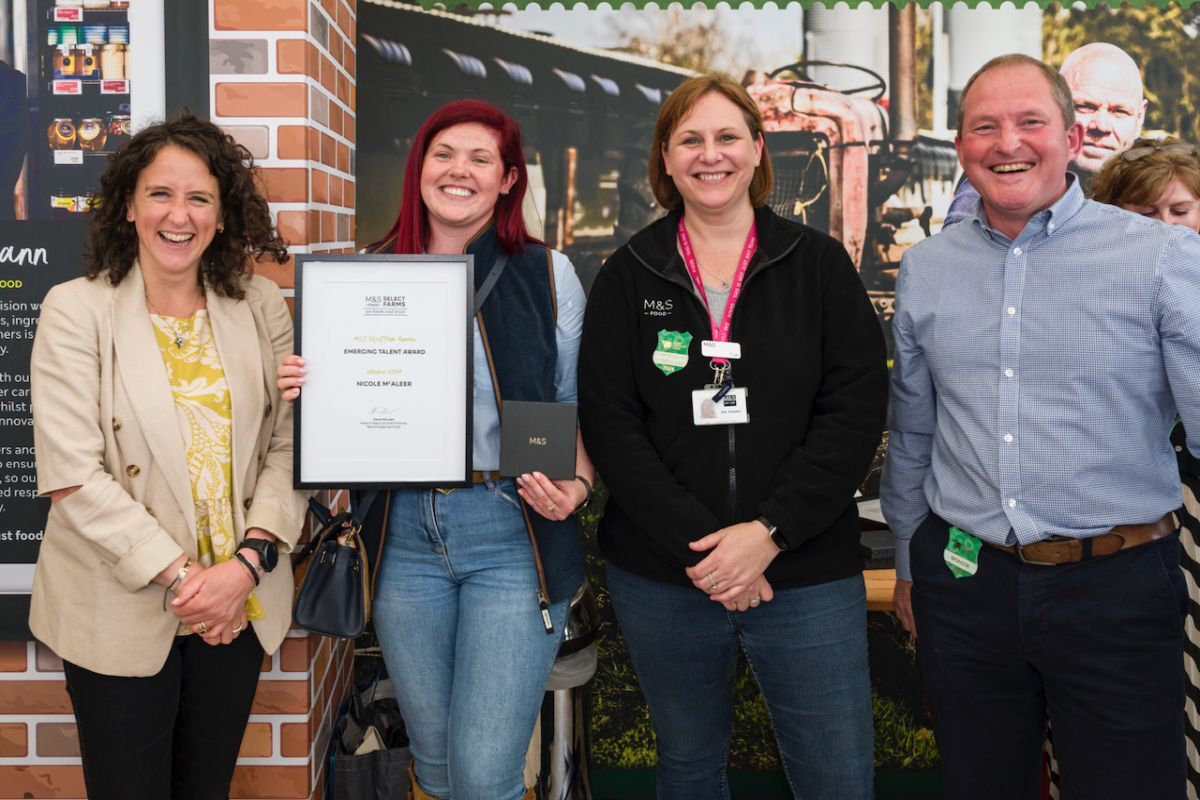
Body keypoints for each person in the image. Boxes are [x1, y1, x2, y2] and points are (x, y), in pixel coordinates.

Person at [880, 53, 1200, 799]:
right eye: (984, 126)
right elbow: (915, 433)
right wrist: (906, 559)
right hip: (964, 586)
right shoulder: (927, 269)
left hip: (1116, 588)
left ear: (1071, 134)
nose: (1007, 143)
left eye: (1030, 122)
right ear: (960, 146)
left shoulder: (1161, 258)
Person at [578, 73, 887, 799]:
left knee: (838, 777)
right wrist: (711, 552)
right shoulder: (628, 274)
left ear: (756, 150)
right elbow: (611, 422)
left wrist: (769, 534)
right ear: (665, 156)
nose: (709, 155)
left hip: (804, 570)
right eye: (690, 139)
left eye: (726, 137)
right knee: (688, 768)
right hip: (667, 574)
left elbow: (854, 408)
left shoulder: (817, 266)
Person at [277, 99, 594, 800]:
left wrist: (575, 486)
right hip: (401, 540)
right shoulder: (364, 277)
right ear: (419, 167)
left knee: (485, 776)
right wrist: (306, 385)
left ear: (509, 180)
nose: (460, 171)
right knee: (438, 764)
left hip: (511, 532)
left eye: (482, 159)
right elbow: (335, 413)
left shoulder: (546, 275)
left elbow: (571, 407)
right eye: (443, 154)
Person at [28, 114, 306, 799]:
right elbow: (72, 473)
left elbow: (287, 443)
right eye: (160, 194)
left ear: (221, 214)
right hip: (121, 603)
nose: (178, 215)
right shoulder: (75, 310)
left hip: (237, 606)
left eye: (199, 198)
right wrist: (191, 583)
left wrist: (245, 565)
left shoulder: (261, 304)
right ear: (128, 205)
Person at [1092, 135, 1200, 790]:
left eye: (1179, 210)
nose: (1163, 230)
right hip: (1137, 530)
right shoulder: (1089, 307)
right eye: (1142, 214)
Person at [944, 41, 1146, 225]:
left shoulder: (1160, 176)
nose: (1101, 127)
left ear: (1140, 118)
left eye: (1119, 111)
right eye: (1085, 107)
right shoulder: (1010, 162)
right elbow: (958, 245)